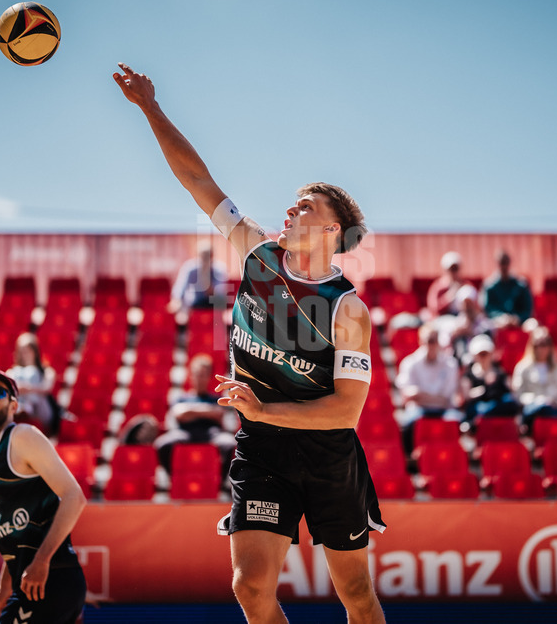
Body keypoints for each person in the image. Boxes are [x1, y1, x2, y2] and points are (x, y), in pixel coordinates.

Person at [114, 63, 386, 624]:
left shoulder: (347, 309)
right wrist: (149, 108)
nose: (290, 210)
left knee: (356, 596)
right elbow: (197, 180)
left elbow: (345, 412)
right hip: (263, 450)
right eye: (293, 203)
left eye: (306, 206)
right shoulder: (257, 253)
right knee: (250, 587)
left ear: (333, 231)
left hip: (329, 457)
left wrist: (265, 408)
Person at [0, 368, 87, 624]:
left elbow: (74, 497)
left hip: (51, 579)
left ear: (13, 406)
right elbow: (15, 533)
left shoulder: (22, 437)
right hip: (30, 585)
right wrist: (5, 584)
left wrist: (42, 560)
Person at [154, 353, 238, 480]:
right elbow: (179, 414)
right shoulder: (181, 398)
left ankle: (221, 482)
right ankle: (173, 478)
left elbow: (219, 415)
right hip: (184, 433)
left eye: (204, 375)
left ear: (209, 377)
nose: (200, 378)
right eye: (198, 374)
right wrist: (207, 412)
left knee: (230, 444)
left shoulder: (217, 399)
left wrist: (191, 412)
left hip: (211, 433)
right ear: (191, 375)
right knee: (162, 444)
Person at [394, 322, 462, 454]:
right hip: (420, 409)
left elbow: (447, 396)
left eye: (434, 340)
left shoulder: (450, 363)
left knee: (459, 422)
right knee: (407, 423)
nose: (431, 344)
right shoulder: (410, 363)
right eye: (429, 340)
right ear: (421, 341)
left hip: (442, 409)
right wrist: (436, 399)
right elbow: (408, 394)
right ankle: (411, 456)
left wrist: (421, 396)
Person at [511, 326, 557, 432]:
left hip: (554, 409)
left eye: (545, 344)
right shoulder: (523, 368)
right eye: (537, 345)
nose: (541, 348)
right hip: (532, 410)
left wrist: (552, 401)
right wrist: (537, 400)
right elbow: (518, 394)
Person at [6, 332, 58, 436]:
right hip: (19, 405)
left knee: (32, 374)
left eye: (28, 351)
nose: (24, 354)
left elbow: (47, 388)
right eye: (22, 351)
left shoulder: (46, 371)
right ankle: (21, 408)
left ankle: (26, 408)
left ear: (35, 351)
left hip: (39, 409)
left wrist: (28, 388)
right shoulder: (13, 372)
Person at [461, 334, 518, 424]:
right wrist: (484, 387)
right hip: (478, 406)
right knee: (481, 409)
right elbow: (467, 396)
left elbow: (510, 391)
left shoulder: (499, 372)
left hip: (497, 406)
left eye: (486, 353)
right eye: (481, 354)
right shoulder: (469, 374)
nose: (484, 357)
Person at [168, 240, 229, 315]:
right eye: (203, 256)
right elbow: (180, 287)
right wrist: (176, 300)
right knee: (181, 304)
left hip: (214, 302)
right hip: (195, 302)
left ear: (212, 255)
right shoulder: (189, 268)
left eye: (207, 256)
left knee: (221, 301)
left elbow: (220, 292)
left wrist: (205, 278)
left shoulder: (220, 269)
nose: (205, 259)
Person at [480, 249, 533, 329]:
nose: (504, 266)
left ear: (509, 263)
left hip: (520, 322)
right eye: (501, 263)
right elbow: (487, 310)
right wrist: (500, 318)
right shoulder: (489, 286)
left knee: (533, 325)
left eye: (505, 263)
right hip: (497, 323)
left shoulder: (521, 284)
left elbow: (527, 309)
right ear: (497, 264)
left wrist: (517, 318)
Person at [425, 251, 465, 318]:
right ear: (445, 270)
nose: (453, 272)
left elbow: (476, 307)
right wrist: (449, 296)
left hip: (462, 319)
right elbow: (433, 309)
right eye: (451, 269)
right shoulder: (438, 287)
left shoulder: (465, 285)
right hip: (443, 319)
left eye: (455, 268)